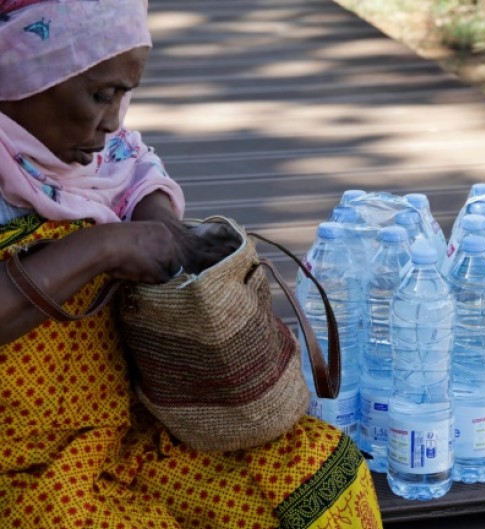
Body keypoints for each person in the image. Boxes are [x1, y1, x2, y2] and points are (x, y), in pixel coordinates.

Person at [0, 1, 383, 527]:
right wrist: (104, 247)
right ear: (22, 74)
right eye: (100, 95)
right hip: (23, 463)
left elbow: (134, 169)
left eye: (125, 94)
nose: (113, 120)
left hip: (130, 426)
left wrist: (162, 226)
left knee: (316, 472)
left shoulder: (90, 150)